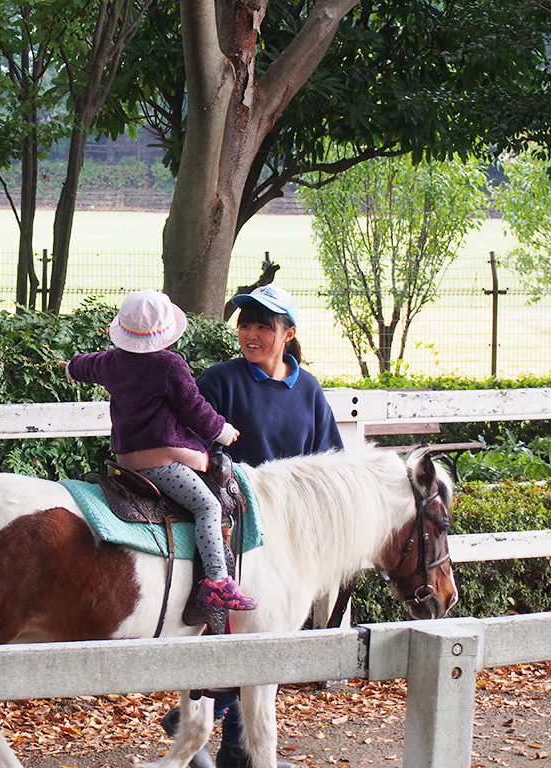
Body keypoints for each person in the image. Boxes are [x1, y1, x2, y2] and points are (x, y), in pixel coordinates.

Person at [162, 284, 344, 768]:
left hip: (285, 537)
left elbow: (331, 460)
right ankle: (202, 730)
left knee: (264, 639)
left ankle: (226, 743)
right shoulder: (220, 380)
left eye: (264, 325)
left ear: (289, 333)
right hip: (231, 528)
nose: (251, 334)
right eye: (245, 324)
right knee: (232, 633)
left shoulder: (308, 390)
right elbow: (189, 440)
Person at [66, 289, 257, 612]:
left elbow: (85, 366)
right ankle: (216, 581)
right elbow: (195, 409)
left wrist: (71, 367)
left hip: (127, 460)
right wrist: (222, 431)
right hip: (163, 462)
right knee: (208, 507)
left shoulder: (113, 361)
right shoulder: (170, 366)